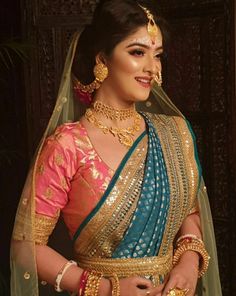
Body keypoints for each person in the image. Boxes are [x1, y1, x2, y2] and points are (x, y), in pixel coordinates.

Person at [10, 0, 222, 295]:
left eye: (158, 55)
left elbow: (190, 213)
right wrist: (104, 288)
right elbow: (25, 247)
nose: (153, 69)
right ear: (102, 59)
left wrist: (188, 262)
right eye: (137, 52)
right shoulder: (69, 144)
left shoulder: (175, 132)